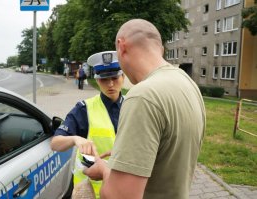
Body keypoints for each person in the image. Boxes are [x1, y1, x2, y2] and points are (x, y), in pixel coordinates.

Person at [83, 19, 206, 199]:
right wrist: (124, 156)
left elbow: (120, 196)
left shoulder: (142, 96)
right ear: (160, 49)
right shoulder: (187, 83)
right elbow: (169, 154)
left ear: (121, 46)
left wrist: (103, 169)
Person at [50, 51, 125, 199]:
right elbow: (55, 144)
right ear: (97, 80)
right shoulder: (84, 109)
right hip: (91, 193)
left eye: (115, 78)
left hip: (126, 189)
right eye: (104, 79)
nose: (110, 84)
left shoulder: (135, 106)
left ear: (123, 76)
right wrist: (75, 139)